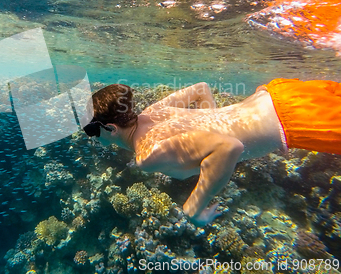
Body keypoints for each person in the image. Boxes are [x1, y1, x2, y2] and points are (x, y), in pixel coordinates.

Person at [83, 79, 341, 227]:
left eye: (92, 132)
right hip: (279, 94)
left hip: (298, 121)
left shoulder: (148, 154)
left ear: (110, 128)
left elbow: (229, 146)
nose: (93, 138)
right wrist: (213, 121)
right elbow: (201, 89)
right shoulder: (153, 111)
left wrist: (194, 208)